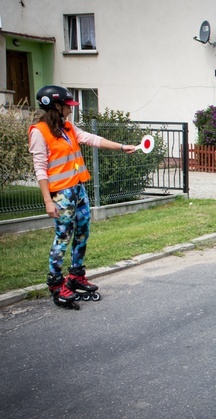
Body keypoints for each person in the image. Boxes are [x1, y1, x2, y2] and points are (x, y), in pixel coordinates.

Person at [28, 85, 136, 309]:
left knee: (83, 232)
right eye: (68, 106)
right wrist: (48, 200)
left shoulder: (67, 127)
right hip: (60, 194)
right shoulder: (39, 132)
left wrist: (121, 146)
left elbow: (90, 138)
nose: (70, 109)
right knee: (63, 237)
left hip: (78, 189)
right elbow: (40, 168)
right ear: (55, 106)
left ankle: (76, 275)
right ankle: (56, 284)